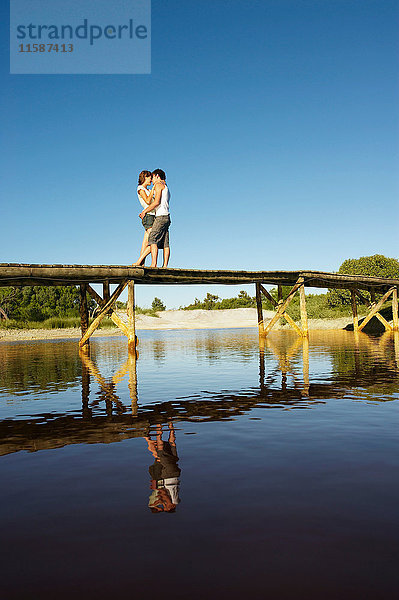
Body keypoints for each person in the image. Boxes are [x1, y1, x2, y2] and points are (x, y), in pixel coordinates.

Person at [145, 422, 181, 513]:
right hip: (168, 475)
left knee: (172, 444)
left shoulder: (177, 500)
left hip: (176, 474)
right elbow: (163, 493)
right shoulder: (172, 502)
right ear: (171, 507)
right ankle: (159, 425)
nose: (164, 505)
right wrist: (163, 502)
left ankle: (170, 424)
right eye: (166, 507)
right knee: (160, 449)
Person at [138, 169, 171, 268]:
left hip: (160, 216)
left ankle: (153, 264)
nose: (152, 180)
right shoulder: (166, 186)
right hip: (167, 216)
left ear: (157, 176)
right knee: (165, 243)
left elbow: (156, 202)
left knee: (152, 239)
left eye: (152, 177)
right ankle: (164, 266)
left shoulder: (158, 185)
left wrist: (144, 211)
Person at [133, 170, 154, 265]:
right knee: (154, 241)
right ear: (145, 177)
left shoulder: (148, 190)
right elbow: (148, 201)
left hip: (152, 215)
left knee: (145, 243)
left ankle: (141, 264)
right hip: (149, 216)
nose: (151, 179)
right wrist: (153, 190)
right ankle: (138, 262)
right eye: (150, 177)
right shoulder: (140, 189)